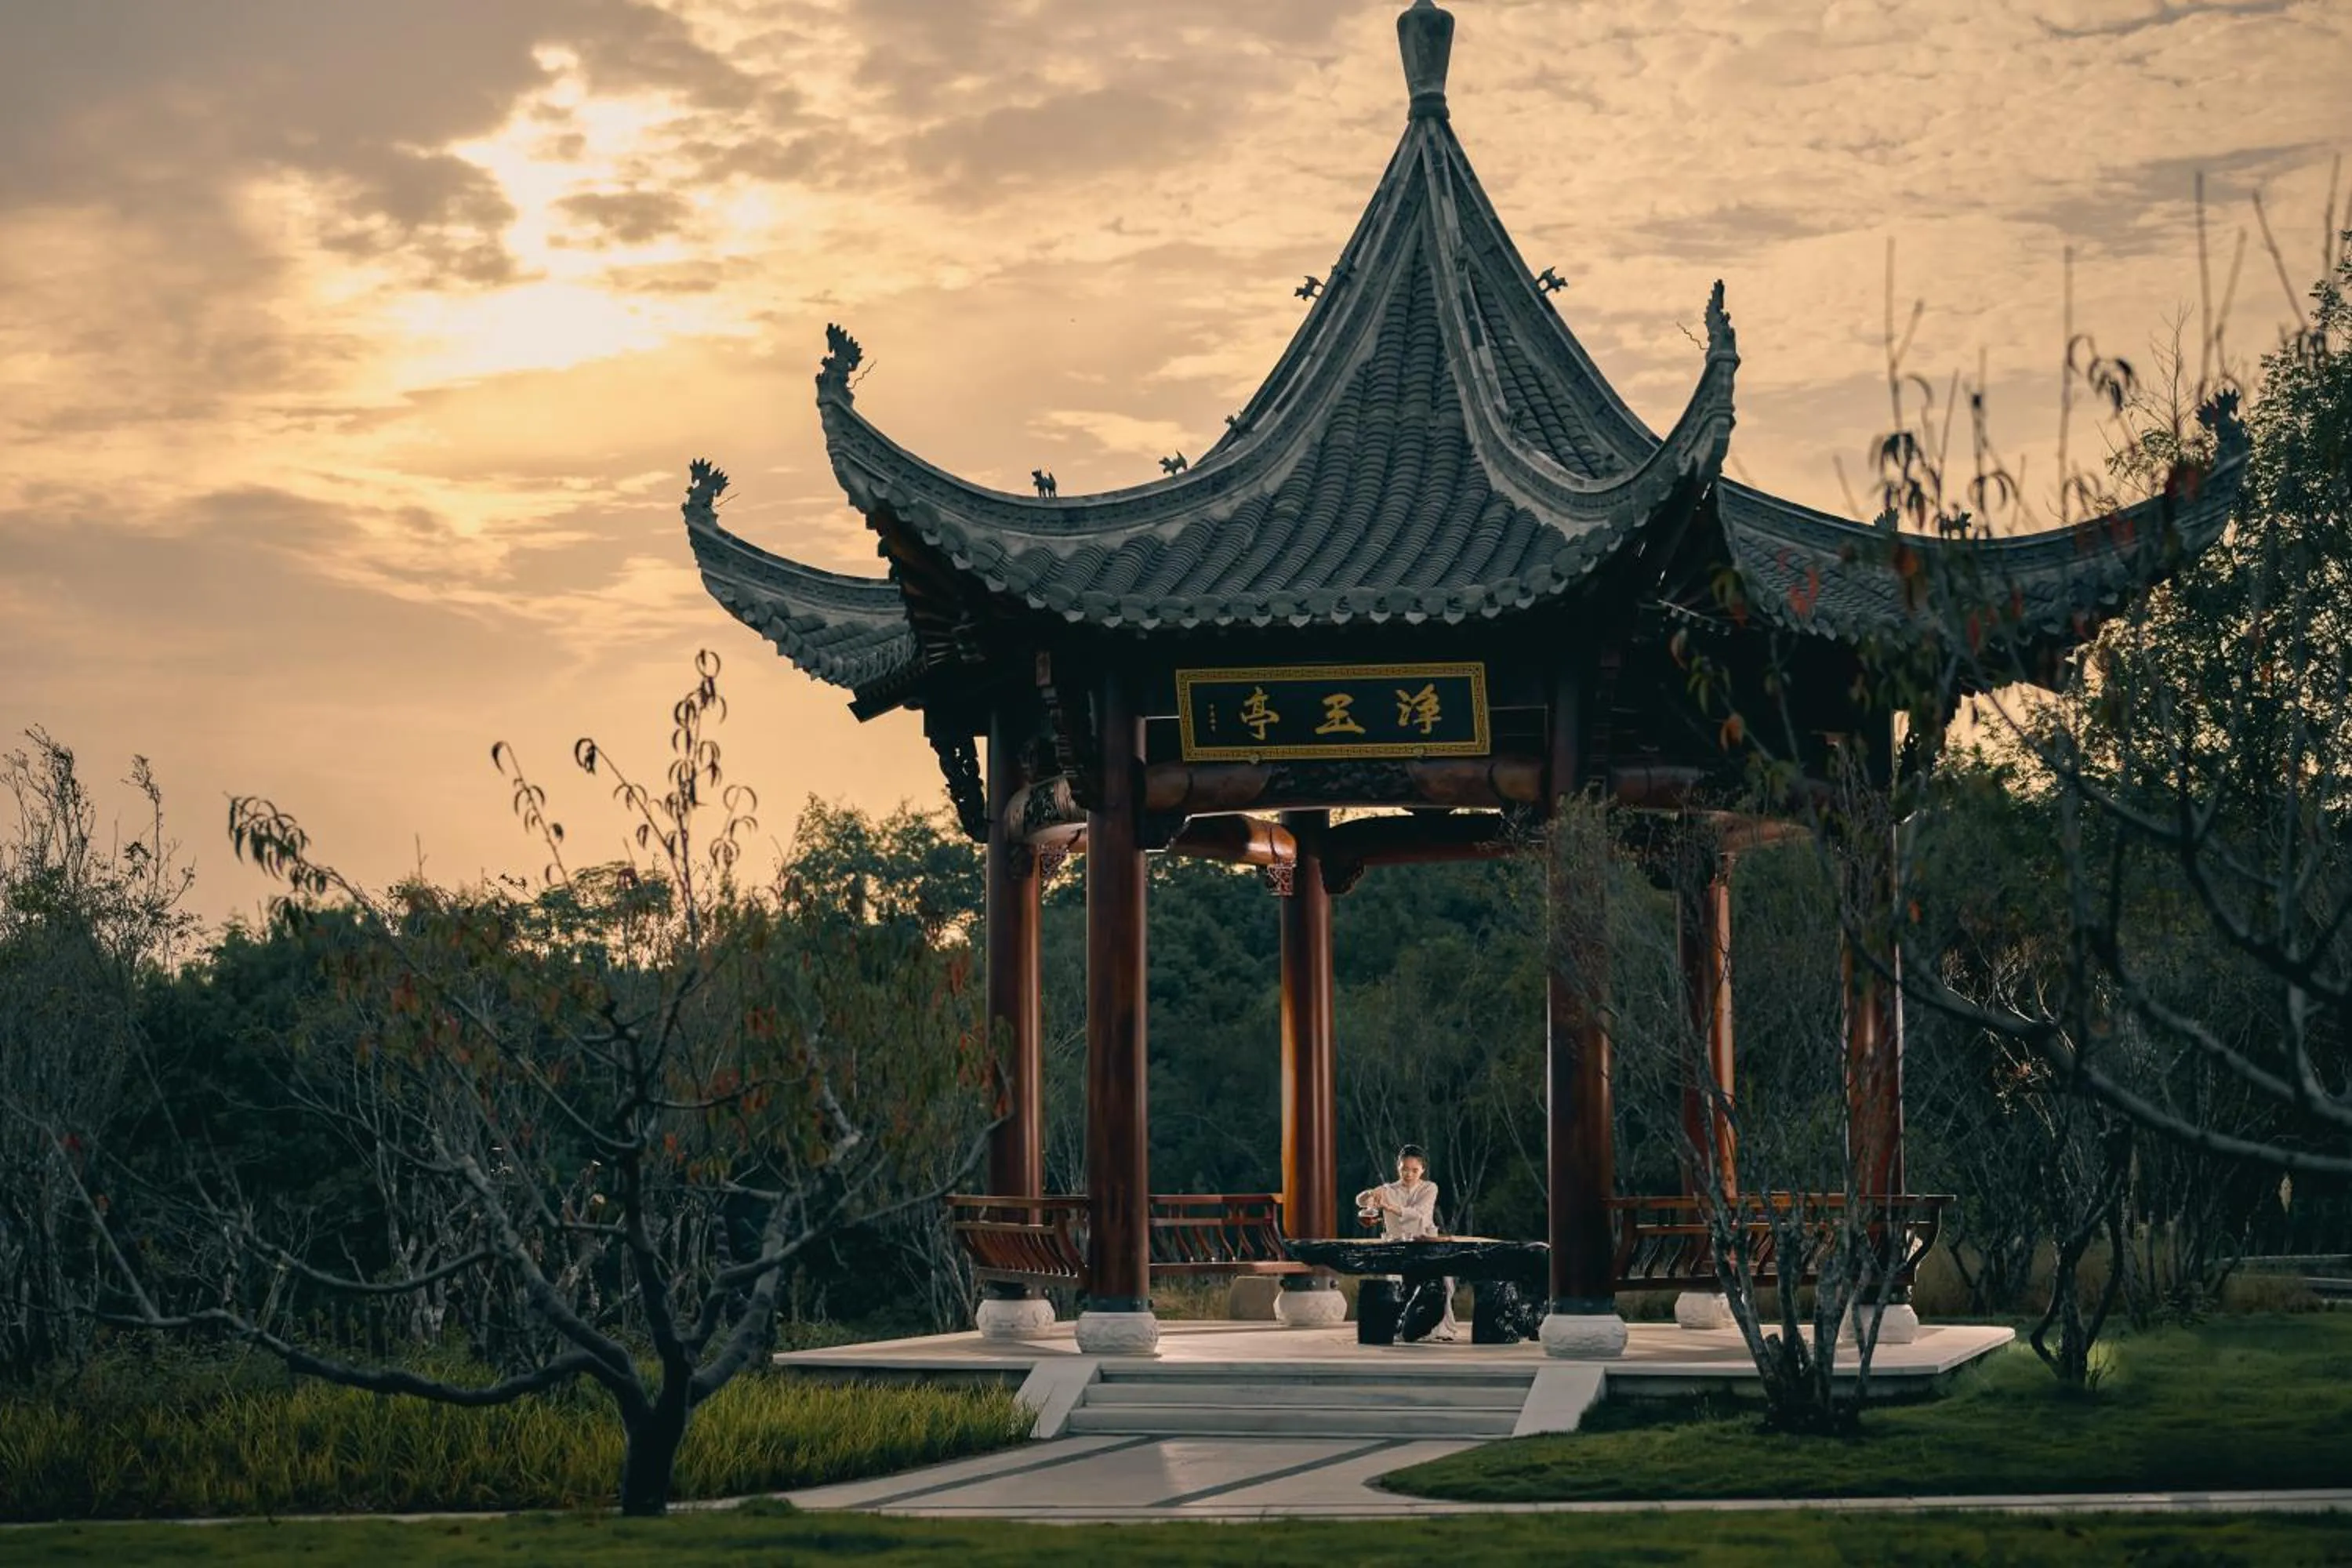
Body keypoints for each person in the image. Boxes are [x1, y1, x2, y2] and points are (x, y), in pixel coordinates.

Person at [1354, 1145, 1460, 1342]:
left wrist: (1388, 1207)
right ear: (1398, 1167)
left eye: (1414, 1170)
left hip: (1425, 1242)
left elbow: (1419, 1214)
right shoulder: (1388, 1189)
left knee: (1437, 1284)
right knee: (1402, 1286)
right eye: (1404, 1169)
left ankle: (1438, 1329)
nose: (1409, 1174)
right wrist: (1371, 1194)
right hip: (1398, 1245)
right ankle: (1402, 1326)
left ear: (1422, 1170)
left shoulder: (1429, 1188)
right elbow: (1360, 1201)